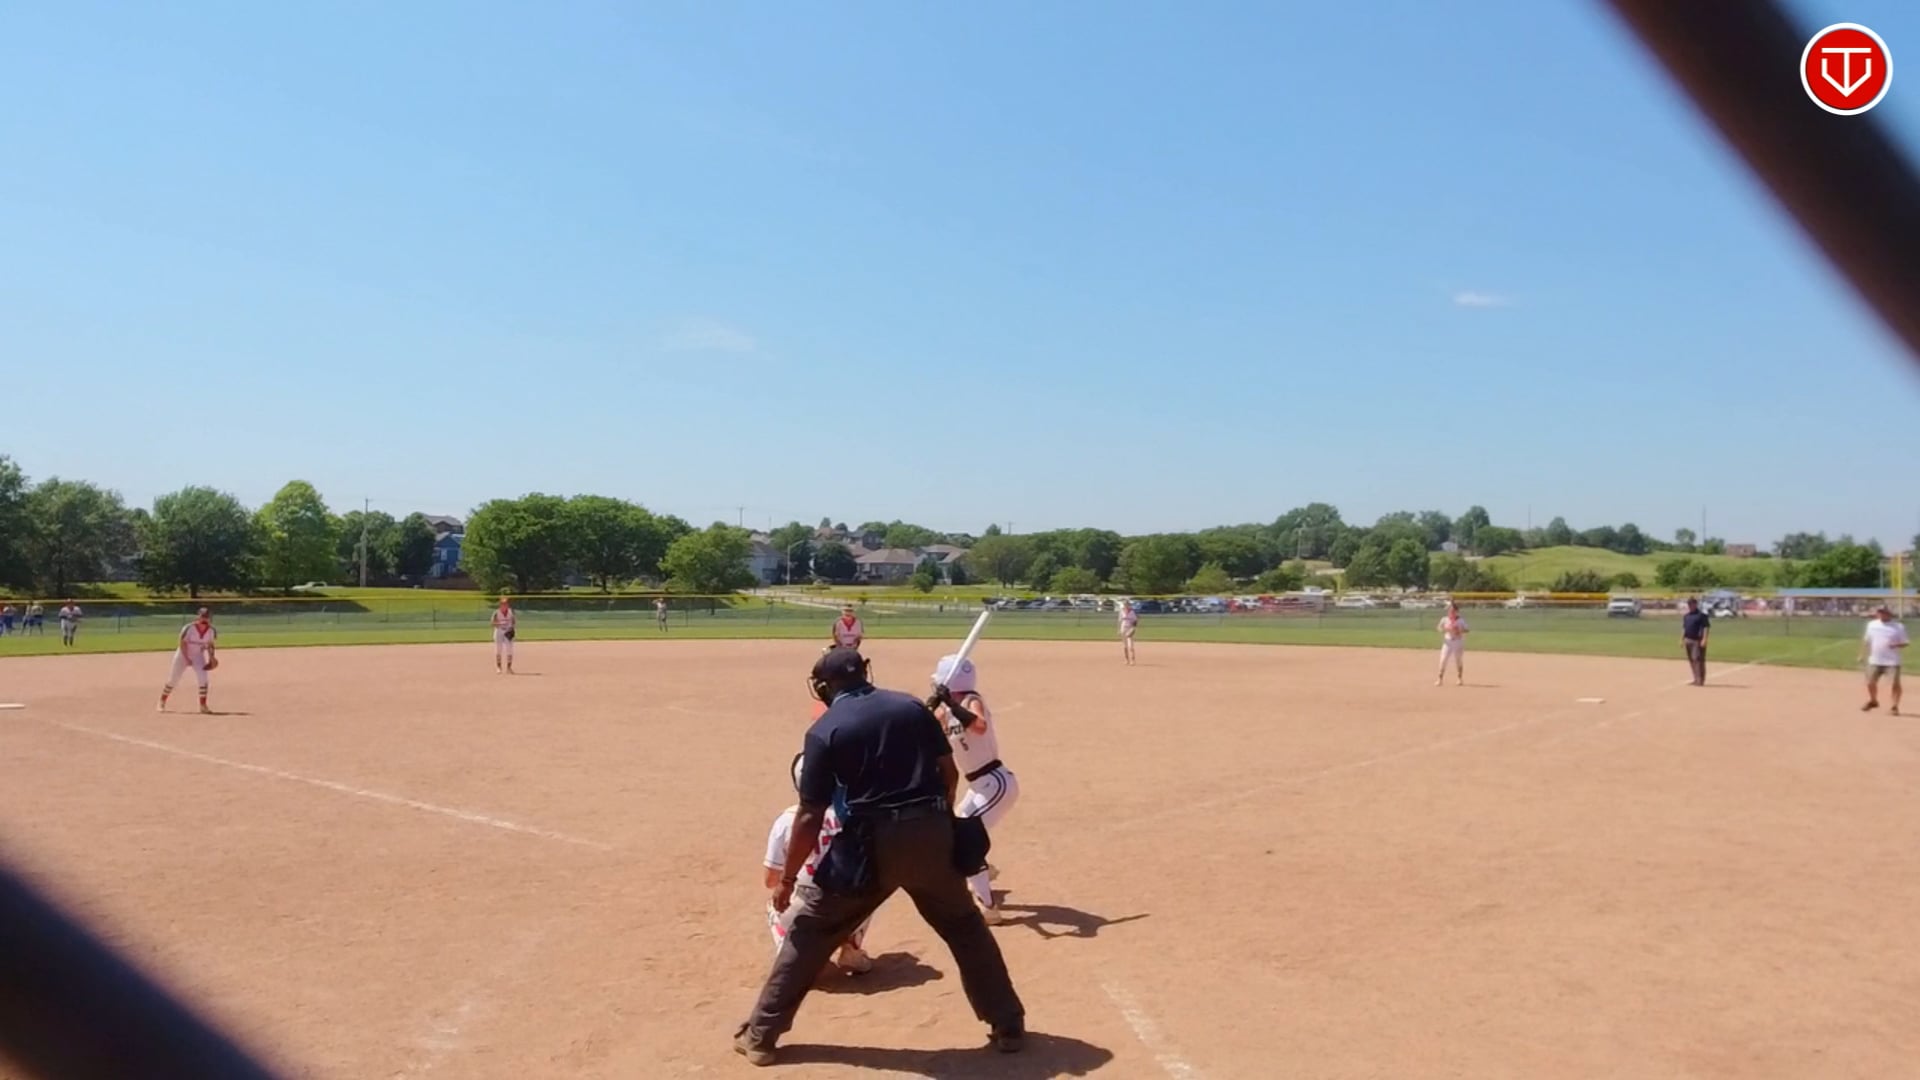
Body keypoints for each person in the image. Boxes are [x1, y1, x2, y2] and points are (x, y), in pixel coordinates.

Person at [735, 647, 1025, 1066]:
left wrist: (788, 878)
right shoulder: (911, 707)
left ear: (824, 686)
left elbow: (810, 814)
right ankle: (1008, 1024)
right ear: (865, 672)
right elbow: (948, 773)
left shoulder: (825, 729)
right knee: (966, 928)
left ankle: (761, 1035)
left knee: (812, 932)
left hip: (867, 847)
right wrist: (937, 821)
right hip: (930, 835)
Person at [762, 752, 874, 976]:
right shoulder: (850, 816)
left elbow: (770, 880)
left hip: (806, 906)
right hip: (848, 906)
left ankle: (792, 952)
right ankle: (850, 948)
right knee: (866, 891)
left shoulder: (787, 820)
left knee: (773, 904)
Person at [931, 654, 1019, 924]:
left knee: (967, 839)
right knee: (955, 830)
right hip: (978, 785)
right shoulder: (946, 710)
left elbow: (979, 726)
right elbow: (929, 729)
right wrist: (931, 708)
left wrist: (949, 703)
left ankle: (987, 906)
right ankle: (981, 869)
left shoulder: (970, 700)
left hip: (995, 783)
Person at [159, 608, 218, 714]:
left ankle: (203, 706)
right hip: (182, 654)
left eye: (207, 617)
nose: (204, 619)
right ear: (198, 617)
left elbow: (210, 645)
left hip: (198, 656)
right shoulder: (189, 628)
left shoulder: (211, 631)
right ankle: (162, 701)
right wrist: (186, 658)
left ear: (210, 619)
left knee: (203, 679)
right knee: (173, 680)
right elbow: (182, 643)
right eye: (203, 617)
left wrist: (211, 657)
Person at [1859, 605, 1908, 714]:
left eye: (1883, 612)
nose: (1881, 614)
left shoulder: (1898, 627)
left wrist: (1895, 645)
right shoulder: (1871, 625)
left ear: (1889, 614)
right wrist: (1862, 654)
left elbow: (1905, 642)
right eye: (1879, 612)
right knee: (1870, 682)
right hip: (1875, 659)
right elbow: (1867, 640)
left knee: (1894, 684)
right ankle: (1873, 701)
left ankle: (1894, 706)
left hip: (1892, 661)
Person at [1436, 601, 1468, 686]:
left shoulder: (1461, 620)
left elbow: (1467, 629)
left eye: (1453, 611)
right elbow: (1439, 627)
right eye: (1450, 611)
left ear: (1457, 611)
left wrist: (1459, 630)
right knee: (1443, 660)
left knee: (1458, 660)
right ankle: (1440, 679)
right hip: (1447, 642)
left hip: (1458, 641)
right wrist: (1444, 629)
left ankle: (1459, 678)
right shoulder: (1444, 619)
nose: (1451, 612)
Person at [1681, 598, 1711, 686]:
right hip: (1688, 639)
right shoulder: (1686, 616)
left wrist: (1704, 639)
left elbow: (1706, 627)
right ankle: (1695, 678)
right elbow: (1684, 628)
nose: (1690, 606)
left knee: (1698, 659)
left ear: (1695, 604)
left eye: (1691, 604)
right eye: (1689, 604)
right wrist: (1681, 639)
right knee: (1692, 660)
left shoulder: (1701, 615)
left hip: (1697, 640)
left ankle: (1700, 680)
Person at [491, 597, 516, 674]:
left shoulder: (511, 612)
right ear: (500, 605)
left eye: (506, 603)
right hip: (499, 631)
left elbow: (514, 621)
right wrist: (500, 623)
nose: (504, 605)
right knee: (498, 649)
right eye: (503, 603)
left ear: (508, 605)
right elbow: (492, 623)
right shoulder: (496, 612)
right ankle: (499, 667)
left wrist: (512, 628)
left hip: (508, 631)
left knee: (510, 650)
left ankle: (509, 668)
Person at [1117, 600, 1138, 665]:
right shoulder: (1121, 611)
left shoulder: (1132, 612)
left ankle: (1133, 660)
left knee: (1130, 646)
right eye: (1125, 604)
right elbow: (1119, 621)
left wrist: (1133, 628)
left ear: (1129, 605)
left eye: (1127, 604)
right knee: (1124, 646)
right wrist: (1118, 629)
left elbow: (1135, 621)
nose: (1126, 605)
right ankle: (1126, 660)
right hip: (1123, 629)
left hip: (1129, 629)